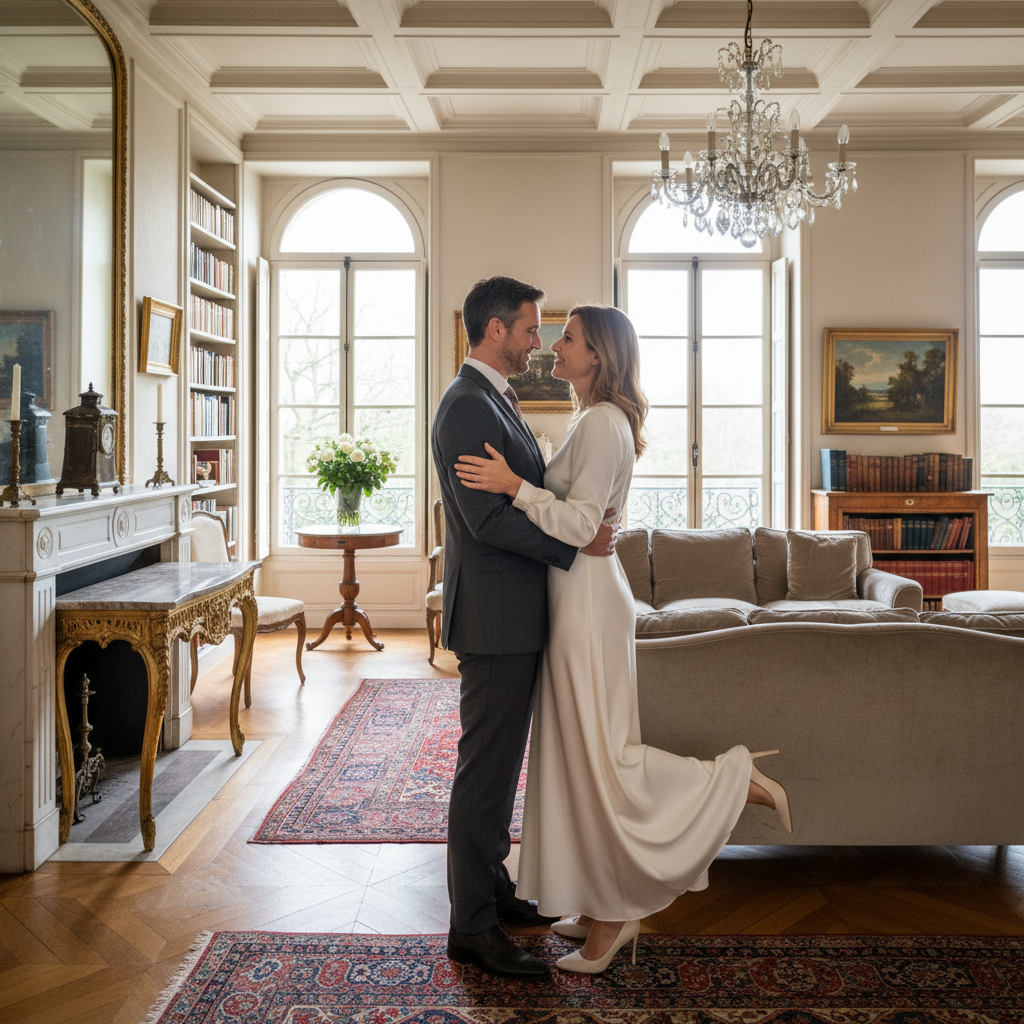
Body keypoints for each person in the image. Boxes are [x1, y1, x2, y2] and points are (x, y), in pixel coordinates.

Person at [455, 303, 792, 974]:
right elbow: (586, 514)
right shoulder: (593, 420)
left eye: (569, 338)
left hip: (586, 602)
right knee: (581, 757)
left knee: (602, 755)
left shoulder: (605, 423)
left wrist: (517, 485)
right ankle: (600, 895)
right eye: (549, 335)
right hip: (574, 593)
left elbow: (581, 525)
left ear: (599, 356)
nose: (554, 345)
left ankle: (727, 782)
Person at [431, 277, 619, 982]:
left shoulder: (492, 400)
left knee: (502, 767)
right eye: (530, 329)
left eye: (546, 332)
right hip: (496, 619)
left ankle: (496, 892)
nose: (539, 343)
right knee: (484, 772)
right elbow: (487, 520)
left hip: (517, 615)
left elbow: (523, 494)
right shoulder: (464, 407)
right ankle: (471, 927)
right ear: (494, 331)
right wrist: (573, 546)